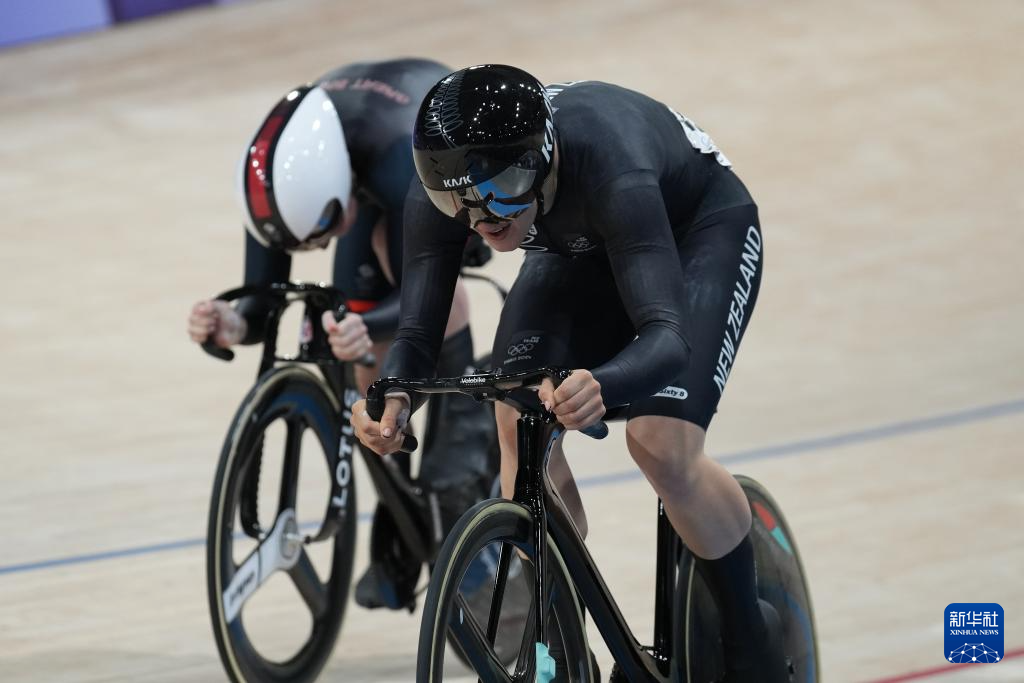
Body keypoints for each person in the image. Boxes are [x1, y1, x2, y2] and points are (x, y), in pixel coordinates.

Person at [352, 64, 788, 681]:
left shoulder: (612, 164)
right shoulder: (448, 190)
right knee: (518, 415)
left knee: (660, 445)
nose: (481, 217)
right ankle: (560, 639)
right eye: (457, 200)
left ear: (542, 157)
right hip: (575, 239)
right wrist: (392, 395)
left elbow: (666, 335)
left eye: (500, 187)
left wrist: (605, 383)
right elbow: (419, 335)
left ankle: (751, 642)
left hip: (696, 232)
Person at [186, 58, 496, 610]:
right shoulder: (279, 175)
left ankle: (460, 475)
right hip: (361, 164)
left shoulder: (400, 163)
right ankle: (400, 525)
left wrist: (370, 325)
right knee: (355, 324)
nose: (315, 248)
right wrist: (232, 322)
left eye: (323, 232)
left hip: (440, 159)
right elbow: (263, 298)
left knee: (400, 283)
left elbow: (431, 290)